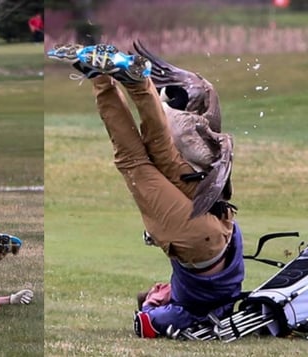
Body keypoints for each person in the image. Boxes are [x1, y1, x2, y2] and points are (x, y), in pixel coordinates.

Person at [47, 44, 244, 338]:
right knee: (132, 161)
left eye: (153, 291)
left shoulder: (208, 296)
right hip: (201, 240)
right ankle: (102, 78)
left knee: (159, 147)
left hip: (217, 221)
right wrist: (149, 307)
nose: (156, 289)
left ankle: (133, 80)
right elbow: (145, 325)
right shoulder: (186, 310)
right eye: (155, 292)